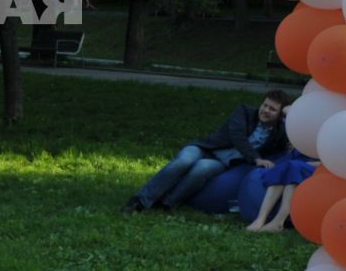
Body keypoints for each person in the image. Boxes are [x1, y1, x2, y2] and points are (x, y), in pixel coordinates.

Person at [124, 89, 291, 213]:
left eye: (272, 109)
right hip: (206, 148)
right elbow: (237, 137)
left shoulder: (279, 132)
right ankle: (141, 200)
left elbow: (289, 144)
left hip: (223, 162)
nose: (266, 111)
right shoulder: (244, 112)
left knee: (201, 169)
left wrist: (287, 115)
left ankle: (168, 203)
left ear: (279, 114)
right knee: (184, 161)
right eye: (265, 105)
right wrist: (256, 158)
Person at [244, 147, 317, 232]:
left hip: (317, 169)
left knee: (293, 167)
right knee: (284, 167)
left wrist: (302, 163)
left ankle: (278, 222)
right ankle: (260, 219)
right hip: (295, 164)